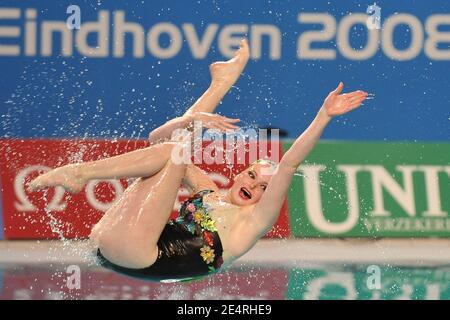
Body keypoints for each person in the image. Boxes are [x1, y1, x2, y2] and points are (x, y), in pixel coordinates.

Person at [28, 39, 368, 282]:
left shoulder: (253, 221)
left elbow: (290, 164)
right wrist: (187, 123)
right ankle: (220, 83)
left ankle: (80, 173)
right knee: (171, 150)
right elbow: (157, 142)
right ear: (239, 174)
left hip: (141, 256)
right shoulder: (207, 189)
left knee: (176, 150)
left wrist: (324, 116)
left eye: (264, 186)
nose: (254, 186)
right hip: (109, 240)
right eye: (252, 176)